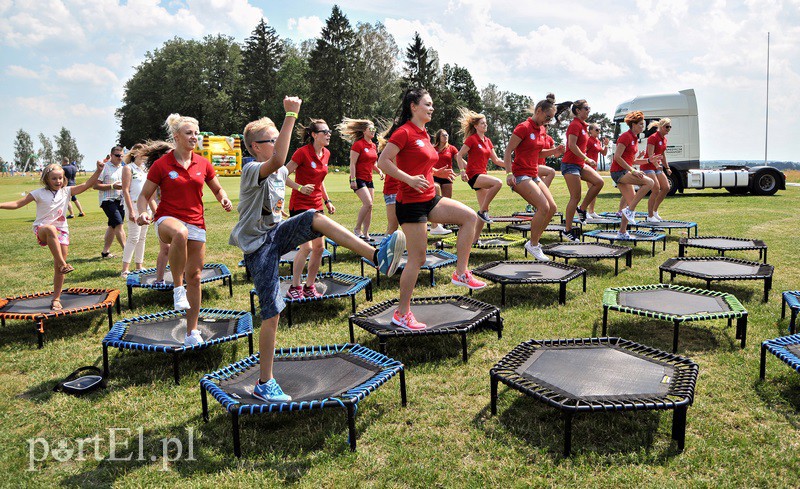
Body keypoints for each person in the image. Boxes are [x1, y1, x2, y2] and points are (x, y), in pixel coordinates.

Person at [231, 97, 406, 402]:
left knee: (317, 219)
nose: (276, 143)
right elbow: (279, 161)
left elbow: (282, 175)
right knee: (271, 314)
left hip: (273, 235)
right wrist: (290, 115)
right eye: (271, 140)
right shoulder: (251, 169)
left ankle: (376, 256)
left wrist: (315, 197)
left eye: (277, 138)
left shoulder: (277, 174)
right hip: (258, 250)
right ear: (257, 147)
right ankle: (264, 382)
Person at [377, 88, 486, 331]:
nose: (432, 108)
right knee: (418, 259)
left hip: (429, 198)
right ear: (414, 106)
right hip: (411, 204)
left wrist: (437, 173)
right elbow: (382, 161)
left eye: (432, 104)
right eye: (427, 104)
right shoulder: (404, 132)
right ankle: (401, 313)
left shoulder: (424, 133)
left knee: (469, 217)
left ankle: (460, 272)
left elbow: (421, 162)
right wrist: (408, 179)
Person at [136, 114, 232, 347]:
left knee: (196, 277)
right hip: (167, 219)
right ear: (177, 137)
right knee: (179, 233)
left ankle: (192, 331)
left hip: (196, 222)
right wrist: (142, 213)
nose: (194, 137)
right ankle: (178, 288)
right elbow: (143, 196)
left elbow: (217, 189)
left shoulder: (203, 163)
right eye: (189, 133)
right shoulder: (162, 165)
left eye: (196, 133)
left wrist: (224, 198)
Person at [0, 162, 103, 309]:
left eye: (60, 178)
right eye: (54, 178)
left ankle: (56, 298)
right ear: (47, 179)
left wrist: (98, 170)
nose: (58, 181)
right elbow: (17, 204)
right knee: (51, 230)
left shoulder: (67, 191)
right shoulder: (38, 193)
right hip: (43, 229)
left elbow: (86, 185)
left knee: (58, 269)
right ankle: (63, 264)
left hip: (62, 232)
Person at [503, 93, 567, 261]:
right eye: (547, 117)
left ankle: (535, 240)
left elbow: (538, 152)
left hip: (533, 174)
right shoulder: (523, 127)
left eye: (551, 118)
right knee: (543, 207)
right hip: (520, 175)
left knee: (552, 208)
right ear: (539, 111)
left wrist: (555, 151)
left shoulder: (542, 129)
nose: (549, 121)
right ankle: (533, 244)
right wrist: (509, 173)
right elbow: (508, 151)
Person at [285, 119, 334, 300]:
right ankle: (295, 286)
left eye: (329, 132)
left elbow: (319, 183)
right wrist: (298, 187)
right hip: (299, 206)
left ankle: (309, 285)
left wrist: (327, 201)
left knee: (319, 248)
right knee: (305, 248)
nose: (328, 134)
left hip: (317, 206)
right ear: (314, 135)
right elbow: (282, 174)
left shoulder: (326, 153)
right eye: (324, 132)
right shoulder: (302, 153)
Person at [454, 108, 506, 240]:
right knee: (497, 183)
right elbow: (459, 155)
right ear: (476, 126)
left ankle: (474, 240)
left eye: (486, 123)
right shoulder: (472, 139)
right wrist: (462, 171)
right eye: (482, 123)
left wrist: (513, 165)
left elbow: (497, 160)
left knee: (484, 212)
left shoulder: (488, 141)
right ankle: (482, 211)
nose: (485, 125)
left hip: (482, 175)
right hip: (473, 175)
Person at [560, 100, 605, 242]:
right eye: (586, 108)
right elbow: (572, 146)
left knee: (599, 182)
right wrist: (586, 158)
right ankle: (567, 230)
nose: (588, 110)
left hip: (579, 164)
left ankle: (582, 209)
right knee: (575, 197)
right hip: (570, 165)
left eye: (589, 108)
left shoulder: (583, 126)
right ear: (578, 110)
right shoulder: (574, 125)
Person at [610, 111, 658, 239]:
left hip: (625, 171)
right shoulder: (625, 136)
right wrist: (633, 171)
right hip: (618, 172)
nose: (643, 127)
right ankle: (629, 211)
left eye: (643, 125)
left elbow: (633, 160)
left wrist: (648, 160)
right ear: (633, 124)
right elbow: (617, 157)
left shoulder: (635, 138)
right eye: (641, 124)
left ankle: (622, 232)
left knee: (631, 202)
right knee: (649, 182)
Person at [133, 140, 173, 284]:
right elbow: (149, 196)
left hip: (178, 213)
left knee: (182, 247)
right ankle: (159, 278)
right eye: (168, 154)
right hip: (163, 213)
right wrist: (157, 213)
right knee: (166, 248)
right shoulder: (156, 171)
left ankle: (184, 276)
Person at [339, 118, 383, 239]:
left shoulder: (374, 146)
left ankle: (366, 233)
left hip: (369, 179)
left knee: (370, 206)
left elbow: (372, 163)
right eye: (371, 129)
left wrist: (379, 171)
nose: (373, 131)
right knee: (367, 203)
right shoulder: (358, 145)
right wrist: (353, 180)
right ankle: (357, 228)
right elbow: (352, 163)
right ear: (364, 131)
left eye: (374, 129)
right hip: (358, 178)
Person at [120, 143, 157, 278]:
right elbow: (125, 190)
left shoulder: (145, 170)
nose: (144, 156)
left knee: (142, 237)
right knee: (133, 237)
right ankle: (125, 269)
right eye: (142, 153)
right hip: (134, 205)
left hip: (145, 206)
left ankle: (139, 265)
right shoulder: (128, 169)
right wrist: (131, 211)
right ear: (135, 154)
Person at [94, 146, 127, 258]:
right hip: (107, 200)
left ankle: (105, 252)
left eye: (121, 156)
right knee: (119, 224)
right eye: (117, 155)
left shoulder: (123, 168)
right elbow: (95, 185)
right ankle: (127, 251)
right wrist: (112, 186)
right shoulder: (104, 167)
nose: (119, 158)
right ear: (111, 155)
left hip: (120, 201)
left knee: (112, 226)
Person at [429, 129, 457, 235]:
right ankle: (436, 225)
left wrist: (466, 166)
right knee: (437, 198)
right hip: (435, 175)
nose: (446, 137)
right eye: (443, 135)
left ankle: (443, 223)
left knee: (447, 201)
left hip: (447, 177)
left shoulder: (452, 148)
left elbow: (458, 158)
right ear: (439, 137)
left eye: (447, 135)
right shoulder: (433, 148)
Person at [644, 118, 672, 222]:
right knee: (656, 189)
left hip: (657, 166)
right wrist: (656, 165)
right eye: (667, 127)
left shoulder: (664, 139)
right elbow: (651, 155)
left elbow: (663, 154)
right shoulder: (653, 138)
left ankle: (655, 211)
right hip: (648, 166)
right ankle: (650, 216)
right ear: (661, 127)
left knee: (666, 187)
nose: (668, 129)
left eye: (670, 127)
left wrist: (667, 167)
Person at [583, 123, 609, 218]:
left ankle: (591, 211)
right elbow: (582, 152)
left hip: (594, 169)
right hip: (587, 168)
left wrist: (606, 145)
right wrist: (587, 160)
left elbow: (604, 153)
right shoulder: (588, 140)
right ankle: (583, 211)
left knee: (594, 190)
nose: (599, 131)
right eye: (597, 130)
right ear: (590, 131)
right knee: (592, 190)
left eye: (599, 130)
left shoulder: (597, 141)